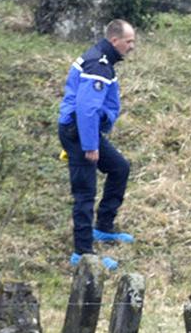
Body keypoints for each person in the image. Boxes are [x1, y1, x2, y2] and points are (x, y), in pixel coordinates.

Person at [58, 20, 137, 268]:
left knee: (119, 168)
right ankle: (82, 253)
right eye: (129, 41)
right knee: (85, 192)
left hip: (84, 131)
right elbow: (87, 109)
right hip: (80, 134)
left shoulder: (102, 59)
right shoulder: (99, 65)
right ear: (115, 41)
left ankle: (102, 227)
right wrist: (90, 145)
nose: (132, 46)